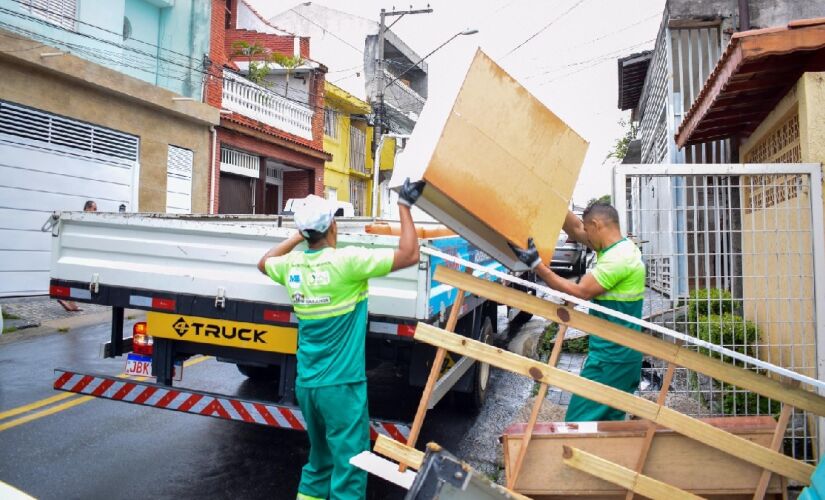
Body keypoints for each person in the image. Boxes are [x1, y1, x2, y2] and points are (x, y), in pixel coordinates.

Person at [257, 179, 425, 500]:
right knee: (350, 469)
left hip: (308, 385)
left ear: (306, 233)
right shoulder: (347, 262)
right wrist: (404, 206)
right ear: (333, 225)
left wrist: (298, 234)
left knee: (319, 463)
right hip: (342, 388)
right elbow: (410, 254)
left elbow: (263, 262)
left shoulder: (292, 266)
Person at [509, 202, 646, 422]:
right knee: (607, 426)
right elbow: (575, 229)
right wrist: (552, 194)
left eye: (588, 230)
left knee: (578, 422)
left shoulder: (618, 260)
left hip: (611, 360)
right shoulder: (621, 248)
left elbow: (580, 291)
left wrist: (537, 265)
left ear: (596, 224)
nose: (585, 238)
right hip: (619, 356)